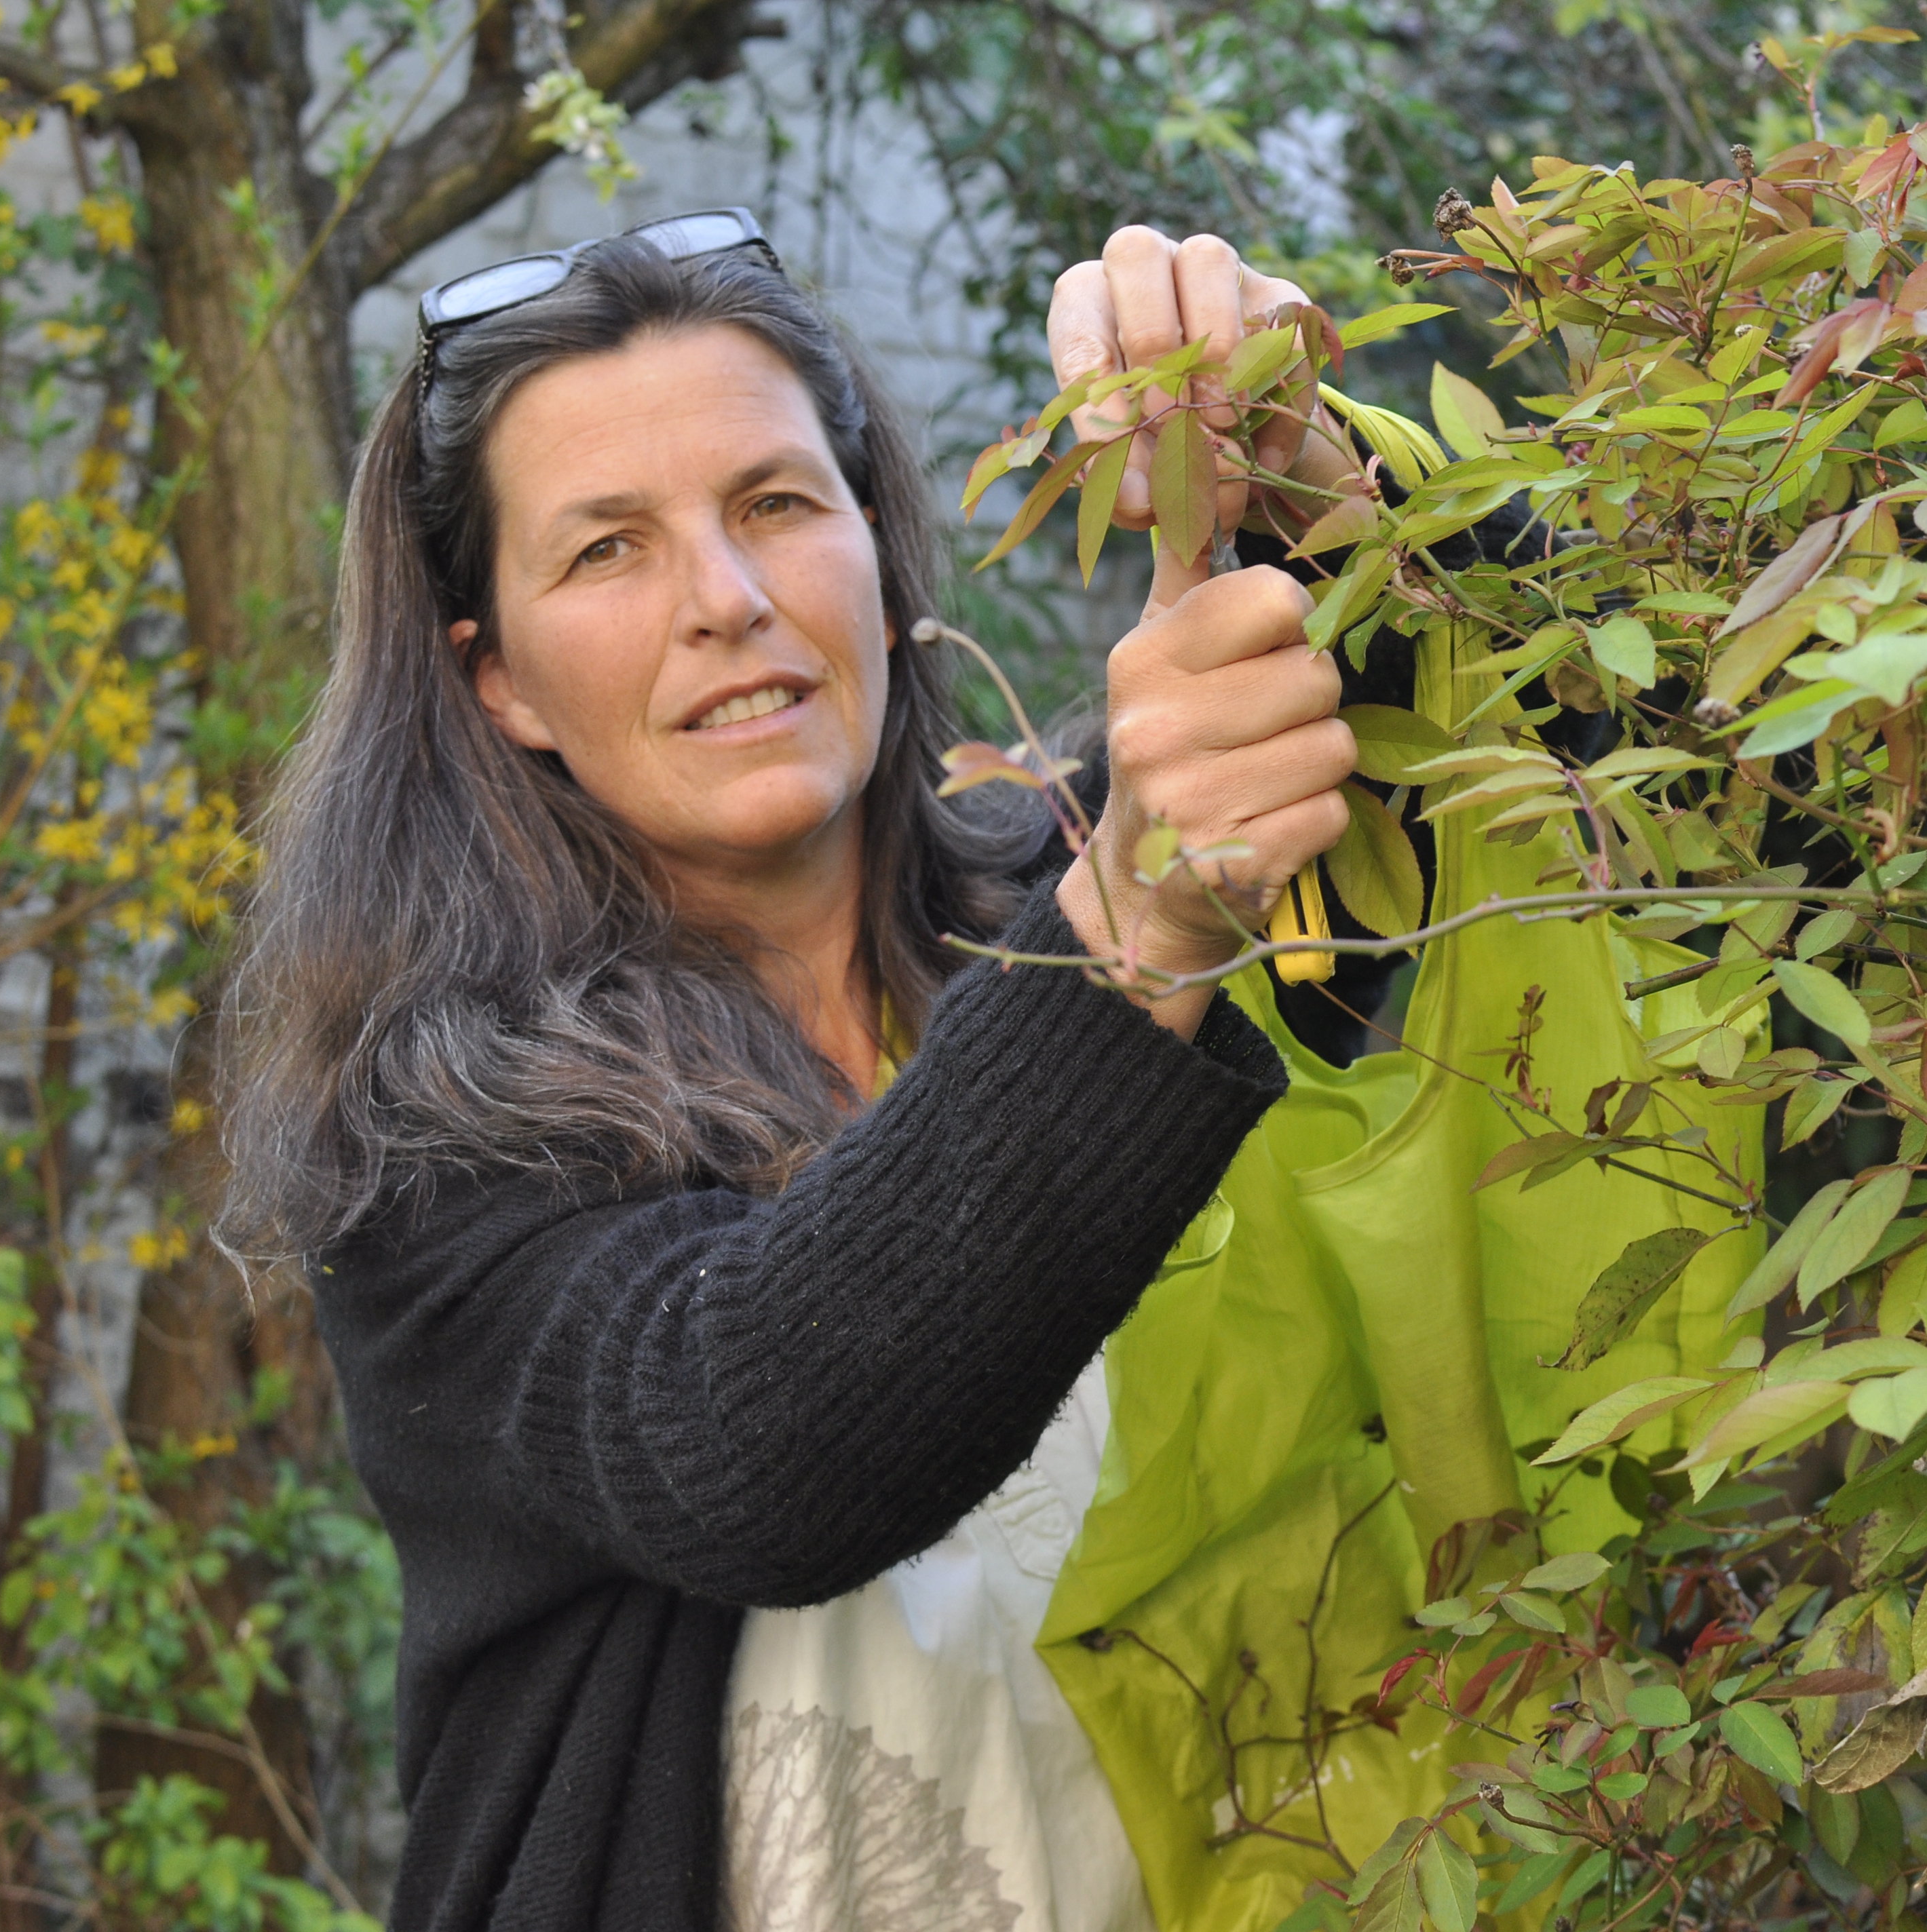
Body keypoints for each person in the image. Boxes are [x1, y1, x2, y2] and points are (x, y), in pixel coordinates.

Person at [220, 211, 1358, 1931]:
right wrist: (1142, 916)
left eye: (774, 503)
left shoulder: (1064, 876)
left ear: (878, 561)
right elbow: (750, 1442)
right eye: (606, 551)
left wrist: (1317, 482)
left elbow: (1536, 759)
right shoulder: (437, 1133)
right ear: (501, 679)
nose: (728, 601)